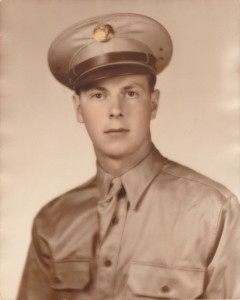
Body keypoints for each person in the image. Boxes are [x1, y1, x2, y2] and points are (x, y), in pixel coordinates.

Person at [17, 13, 240, 300]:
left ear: (153, 103)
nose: (115, 110)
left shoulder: (212, 211)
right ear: (78, 108)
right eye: (98, 95)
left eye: (131, 93)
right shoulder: (53, 221)